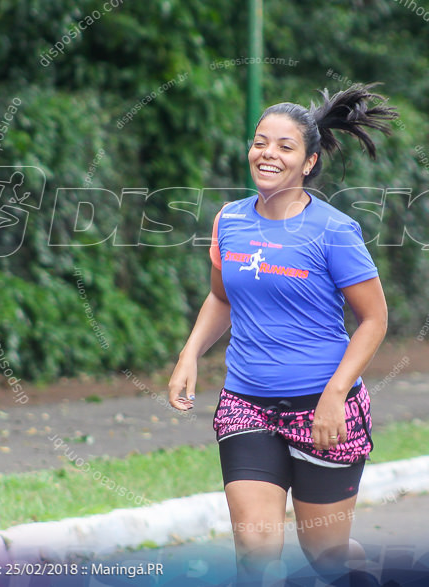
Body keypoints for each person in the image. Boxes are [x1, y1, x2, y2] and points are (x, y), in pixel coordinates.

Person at [168, 83, 396, 582]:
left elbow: (374, 319)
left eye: (285, 146)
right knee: (254, 548)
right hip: (246, 402)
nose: (268, 153)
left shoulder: (333, 231)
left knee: (327, 555)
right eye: (260, 141)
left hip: (323, 406)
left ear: (309, 162)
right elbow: (221, 297)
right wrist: (189, 356)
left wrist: (336, 394)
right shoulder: (230, 221)